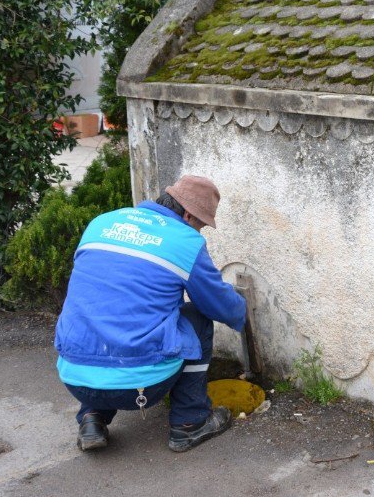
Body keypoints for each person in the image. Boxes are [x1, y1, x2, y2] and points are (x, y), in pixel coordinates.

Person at [54, 175, 246, 453]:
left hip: (74, 377)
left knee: (102, 314)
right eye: (201, 225)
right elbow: (217, 304)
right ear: (188, 214)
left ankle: (91, 418)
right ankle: (190, 423)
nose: (200, 232)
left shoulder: (102, 223)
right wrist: (242, 312)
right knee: (198, 318)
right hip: (140, 385)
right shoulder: (185, 241)